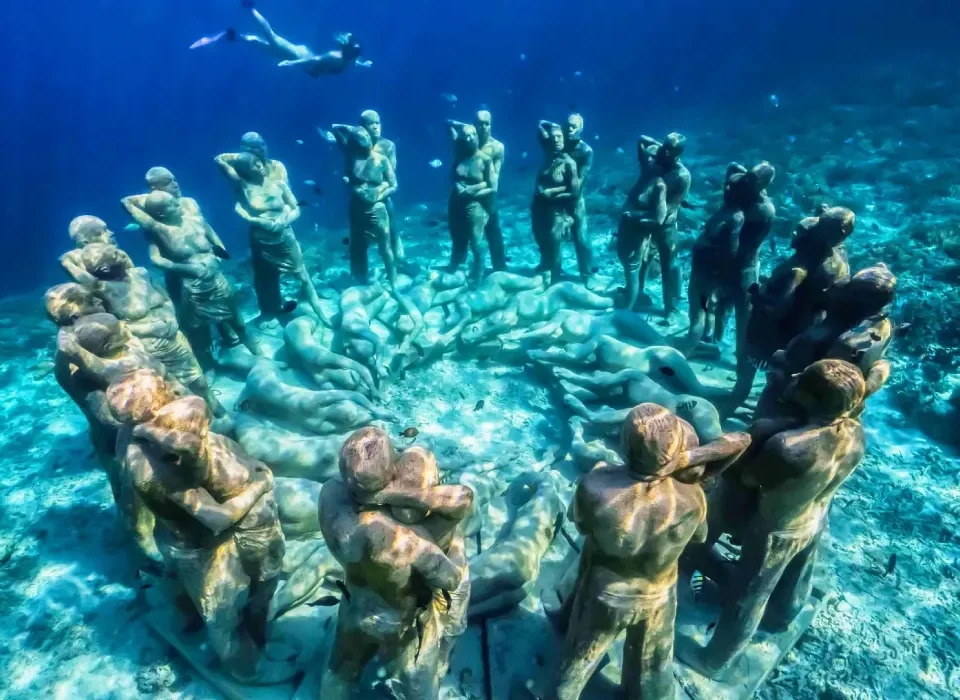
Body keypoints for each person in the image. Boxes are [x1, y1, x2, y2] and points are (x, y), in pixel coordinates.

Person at [678, 360, 866, 678]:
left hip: (776, 527)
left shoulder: (787, 446)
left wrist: (757, 433)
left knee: (749, 596)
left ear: (814, 398)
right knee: (795, 579)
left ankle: (716, 661)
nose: (793, 379)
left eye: (802, 380)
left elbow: (748, 480)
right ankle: (783, 614)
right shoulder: (855, 433)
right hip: (813, 516)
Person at [553, 404, 750, 699]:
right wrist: (688, 461)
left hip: (607, 592)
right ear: (676, 450)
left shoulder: (596, 483)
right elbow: (700, 537)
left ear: (624, 444)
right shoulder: (692, 497)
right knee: (651, 667)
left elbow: (579, 524)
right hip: (659, 592)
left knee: (581, 656)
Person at [112, 382, 294, 684]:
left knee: (181, 589)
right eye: (165, 391)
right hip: (199, 547)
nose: (172, 388)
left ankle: (186, 621)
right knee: (222, 613)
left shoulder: (130, 439)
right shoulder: (168, 469)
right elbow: (216, 518)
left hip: (171, 537)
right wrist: (259, 486)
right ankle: (243, 670)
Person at [319, 428, 464, 699]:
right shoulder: (404, 538)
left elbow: (348, 548)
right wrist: (455, 548)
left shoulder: (331, 495)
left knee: (340, 668)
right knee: (416, 687)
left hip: (355, 606)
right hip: (400, 620)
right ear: (392, 472)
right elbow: (449, 579)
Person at [122, 188, 262, 368]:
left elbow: (214, 239)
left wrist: (219, 256)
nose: (177, 204)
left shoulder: (195, 220)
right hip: (191, 287)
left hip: (217, 281)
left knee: (237, 320)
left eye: (175, 201)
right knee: (197, 329)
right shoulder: (158, 230)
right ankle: (209, 365)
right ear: (161, 213)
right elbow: (155, 259)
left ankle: (258, 354)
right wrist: (187, 268)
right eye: (171, 205)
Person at [215, 146, 328, 324]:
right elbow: (219, 160)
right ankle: (269, 313)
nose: (258, 165)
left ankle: (320, 311)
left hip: (285, 237)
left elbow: (296, 208)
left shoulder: (278, 184)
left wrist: (284, 221)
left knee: (302, 274)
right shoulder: (244, 187)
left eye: (258, 161)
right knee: (265, 278)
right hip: (261, 242)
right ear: (244, 171)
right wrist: (254, 220)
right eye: (252, 165)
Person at [617, 134, 691, 314]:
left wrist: (636, 216)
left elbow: (670, 208)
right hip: (646, 221)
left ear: (679, 153)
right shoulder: (657, 163)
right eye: (664, 147)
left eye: (670, 150)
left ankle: (671, 307)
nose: (664, 152)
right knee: (642, 260)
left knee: (669, 264)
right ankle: (637, 294)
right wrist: (662, 148)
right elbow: (641, 139)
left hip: (665, 225)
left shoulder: (681, 175)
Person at [331, 124, 398, 288]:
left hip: (377, 209)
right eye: (361, 140)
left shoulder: (381, 160)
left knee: (385, 245)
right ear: (354, 143)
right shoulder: (352, 157)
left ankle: (393, 278)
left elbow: (393, 185)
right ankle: (360, 279)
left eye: (367, 138)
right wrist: (349, 128)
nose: (366, 141)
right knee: (358, 245)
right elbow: (335, 130)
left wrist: (378, 196)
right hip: (356, 209)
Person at [220, 2, 368, 76]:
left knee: (263, 43)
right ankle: (250, 7)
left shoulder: (347, 58)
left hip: (300, 57)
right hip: (297, 55)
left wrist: (363, 64)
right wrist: (291, 62)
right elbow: (313, 61)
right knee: (272, 38)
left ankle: (236, 37)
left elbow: (350, 60)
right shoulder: (338, 57)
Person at [447, 121, 498, 286]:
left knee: (476, 240)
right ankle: (455, 268)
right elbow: (449, 125)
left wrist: (472, 191)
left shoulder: (485, 160)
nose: (470, 139)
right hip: (455, 204)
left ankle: (478, 274)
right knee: (457, 238)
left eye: (473, 135)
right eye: (466, 136)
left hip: (474, 205)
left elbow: (493, 187)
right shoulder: (459, 153)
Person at [532, 121, 580, 285]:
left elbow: (573, 192)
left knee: (554, 241)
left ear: (565, 139)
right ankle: (545, 265)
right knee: (540, 237)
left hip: (557, 210)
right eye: (553, 137)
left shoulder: (569, 164)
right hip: (539, 207)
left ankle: (556, 277)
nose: (556, 140)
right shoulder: (548, 155)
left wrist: (551, 193)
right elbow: (540, 125)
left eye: (560, 137)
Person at [360, 110, 405, 265]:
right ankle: (361, 271)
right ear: (362, 127)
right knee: (360, 237)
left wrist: (380, 189)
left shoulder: (388, 145)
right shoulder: (355, 145)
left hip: (384, 193)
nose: (375, 126)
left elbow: (391, 171)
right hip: (361, 197)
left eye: (377, 123)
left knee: (391, 228)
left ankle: (398, 261)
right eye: (370, 123)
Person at [563, 113, 595, 282]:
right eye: (567, 125)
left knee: (581, 238)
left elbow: (581, 180)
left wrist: (570, 195)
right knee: (553, 236)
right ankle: (553, 269)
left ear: (581, 129)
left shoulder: (586, 151)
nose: (569, 129)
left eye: (573, 126)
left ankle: (587, 274)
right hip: (557, 199)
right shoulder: (559, 144)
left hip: (575, 200)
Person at [476, 110, 507, 271]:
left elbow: (494, 178)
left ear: (491, 125)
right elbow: (450, 123)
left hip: (488, 197)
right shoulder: (467, 143)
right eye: (479, 124)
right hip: (468, 198)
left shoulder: (497, 147)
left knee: (493, 232)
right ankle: (474, 268)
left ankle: (500, 268)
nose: (482, 127)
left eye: (486, 124)